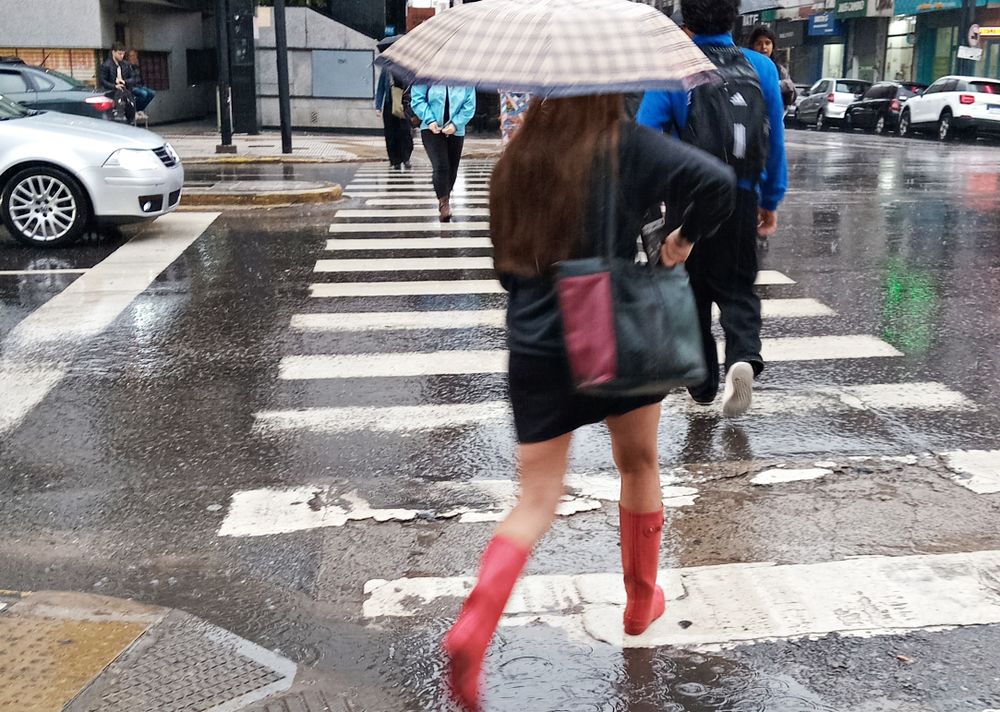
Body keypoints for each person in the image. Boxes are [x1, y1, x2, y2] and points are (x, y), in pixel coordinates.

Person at [441, 94, 736, 711]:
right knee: (638, 465)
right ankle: (638, 601)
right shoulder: (625, 141)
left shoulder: (518, 155)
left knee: (536, 499)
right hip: (613, 327)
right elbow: (716, 181)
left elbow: (504, 264)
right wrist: (680, 239)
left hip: (535, 335)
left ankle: (475, 625)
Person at [637, 0, 788, 417]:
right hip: (741, 198)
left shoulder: (673, 69)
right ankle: (743, 354)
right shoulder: (762, 67)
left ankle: (702, 382)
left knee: (693, 291)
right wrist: (770, 198)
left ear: (686, 21)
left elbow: (645, 138)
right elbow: (773, 139)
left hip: (691, 198)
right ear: (734, 18)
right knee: (739, 288)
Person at [409, 84, 476, 221]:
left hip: (456, 130)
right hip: (431, 128)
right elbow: (417, 99)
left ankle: (445, 193)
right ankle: (443, 202)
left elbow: (470, 105)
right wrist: (430, 120)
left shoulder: (465, 80)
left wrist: (455, 124)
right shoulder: (426, 77)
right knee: (441, 166)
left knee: (452, 168)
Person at [374, 66, 414, 170]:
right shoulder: (386, 69)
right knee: (391, 134)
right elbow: (381, 87)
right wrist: (378, 106)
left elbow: (412, 86)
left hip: (404, 104)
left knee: (405, 133)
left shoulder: (407, 67)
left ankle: (406, 158)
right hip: (389, 104)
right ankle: (395, 160)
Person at [747, 26, 796, 108]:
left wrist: (783, 86)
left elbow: (790, 97)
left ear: (773, 46)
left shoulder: (779, 70)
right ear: (752, 46)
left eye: (767, 43)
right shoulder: (745, 68)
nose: (763, 47)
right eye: (759, 43)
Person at [99, 42, 136, 124]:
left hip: (125, 89)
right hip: (113, 91)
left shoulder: (126, 64)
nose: (121, 56)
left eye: (123, 54)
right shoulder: (106, 65)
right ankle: (120, 115)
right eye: (119, 54)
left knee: (131, 102)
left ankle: (129, 117)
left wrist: (124, 81)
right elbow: (102, 81)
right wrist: (114, 86)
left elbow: (133, 78)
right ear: (113, 52)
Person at [126, 50, 156, 117]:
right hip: (132, 87)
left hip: (140, 86)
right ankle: (134, 110)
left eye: (135, 56)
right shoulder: (127, 66)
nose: (133, 58)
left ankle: (140, 110)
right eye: (131, 56)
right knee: (143, 94)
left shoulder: (137, 66)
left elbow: (142, 76)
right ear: (128, 57)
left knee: (152, 93)